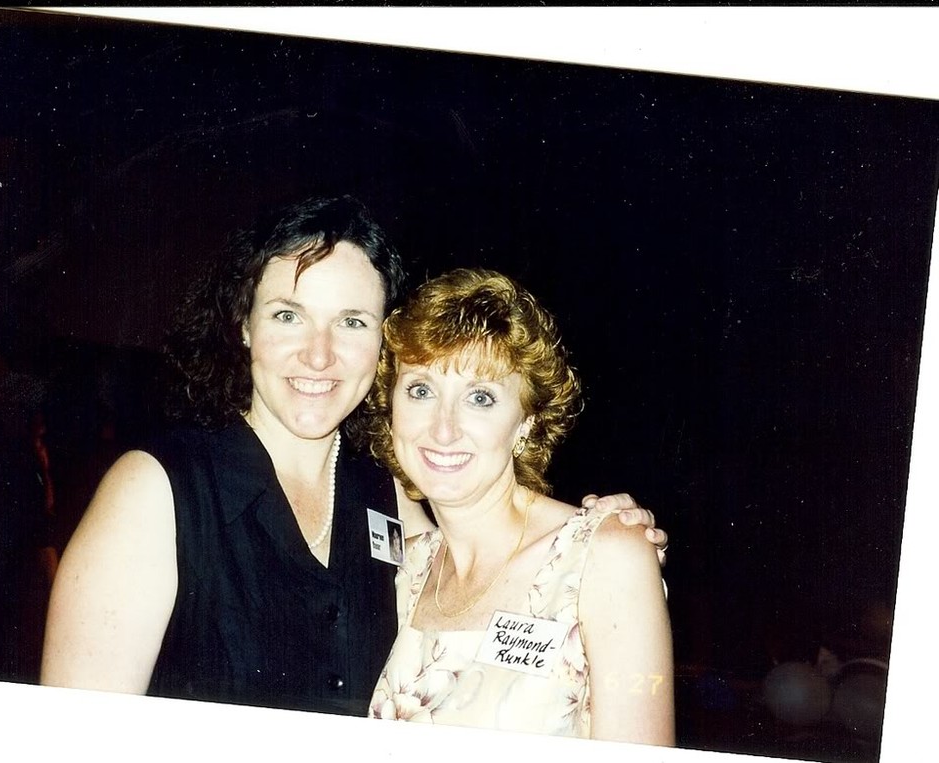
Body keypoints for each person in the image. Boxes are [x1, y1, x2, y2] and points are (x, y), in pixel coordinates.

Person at [41, 195, 667, 717]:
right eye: (288, 315)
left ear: (384, 344)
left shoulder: (392, 490)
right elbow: (69, 741)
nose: (319, 355)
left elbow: (504, 568)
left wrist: (609, 539)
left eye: (351, 322)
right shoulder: (154, 492)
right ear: (243, 325)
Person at [365, 269, 674, 744]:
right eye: (421, 391)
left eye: (480, 397)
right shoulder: (408, 570)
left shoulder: (603, 556)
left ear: (526, 422)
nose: (443, 428)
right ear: (391, 409)